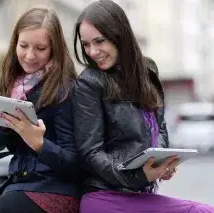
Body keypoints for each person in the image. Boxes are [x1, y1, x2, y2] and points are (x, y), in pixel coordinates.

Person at [72, 1, 214, 213]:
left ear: (119, 34)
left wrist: (162, 162)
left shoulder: (148, 71)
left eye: (99, 41)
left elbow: (160, 126)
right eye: (86, 44)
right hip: (105, 196)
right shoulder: (89, 82)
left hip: (141, 195)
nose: (92, 51)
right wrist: (139, 176)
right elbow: (91, 153)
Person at [0, 7, 79, 213]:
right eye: (24, 45)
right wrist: (5, 122)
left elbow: (75, 164)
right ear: (15, 44)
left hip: (53, 193)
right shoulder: (12, 86)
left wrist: (39, 144)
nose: (30, 55)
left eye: (40, 48)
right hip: (19, 186)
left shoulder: (65, 90)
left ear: (54, 49)